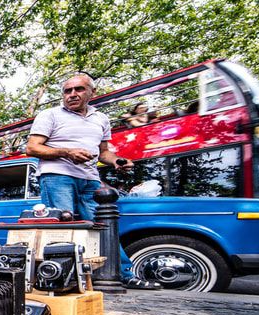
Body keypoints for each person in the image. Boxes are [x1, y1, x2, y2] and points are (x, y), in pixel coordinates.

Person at [25, 73, 160, 290]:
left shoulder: (101, 119)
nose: (72, 95)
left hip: (90, 180)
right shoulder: (50, 115)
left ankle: (124, 274)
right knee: (62, 228)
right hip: (57, 176)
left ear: (91, 92)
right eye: (67, 91)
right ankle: (60, 278)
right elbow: (32, 148)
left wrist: (116, 161)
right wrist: (67, 152)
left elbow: (103, 152)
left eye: (78, 89)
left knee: (105, 227)